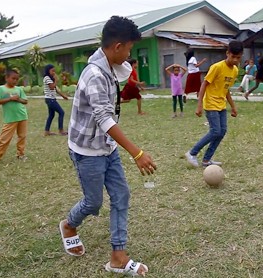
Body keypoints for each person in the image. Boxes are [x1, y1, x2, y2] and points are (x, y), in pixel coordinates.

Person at [59, 16, 156, 277]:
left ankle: (118, 256)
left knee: (121, 195)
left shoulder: (111, 65)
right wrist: (137, 152)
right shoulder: (95, 75)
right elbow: (103, 118)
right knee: (93, 203)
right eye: (129, 49)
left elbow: (122, 75)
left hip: (107, 147)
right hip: (87, 150)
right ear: (117, 46)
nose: (129, 54)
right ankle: (69, 225)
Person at [185, 40, 243, 168]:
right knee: (215, 131)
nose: (235, 60)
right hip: (211, 103)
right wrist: (199, 104)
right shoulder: (216, 67)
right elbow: (204, 84)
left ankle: (206, 160)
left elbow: (226, 89)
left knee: (222, 132)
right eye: (233, 56)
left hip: (221, 104)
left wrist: (233, 106)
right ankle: (192, 153)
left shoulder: (234, 71)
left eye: (238, 58)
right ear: (227, 53)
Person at [0, 69, 28, 165]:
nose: (15, 81)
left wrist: (18, 99)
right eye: (13, 78)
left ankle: (21, 154)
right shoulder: (1, 89)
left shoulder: (19, 89)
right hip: (10, 118)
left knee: (22, 137)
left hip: (22, 116)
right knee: (4, 139)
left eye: (17, 79)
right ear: (6, 78)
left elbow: (25, 101)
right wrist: (10, 98)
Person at [43, 64, 69, 136]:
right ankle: (61, 130)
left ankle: (47, 131)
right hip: (50, 99)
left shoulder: (51, 79)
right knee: (61, 112)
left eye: (54, 71)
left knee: (51, 115)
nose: (54, 72)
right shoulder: (46, 78)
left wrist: (63, 96)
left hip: (51, 99)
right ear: (48, 71)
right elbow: (52, 87)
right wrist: (56, 80)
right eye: (52, 71)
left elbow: (56, 89)